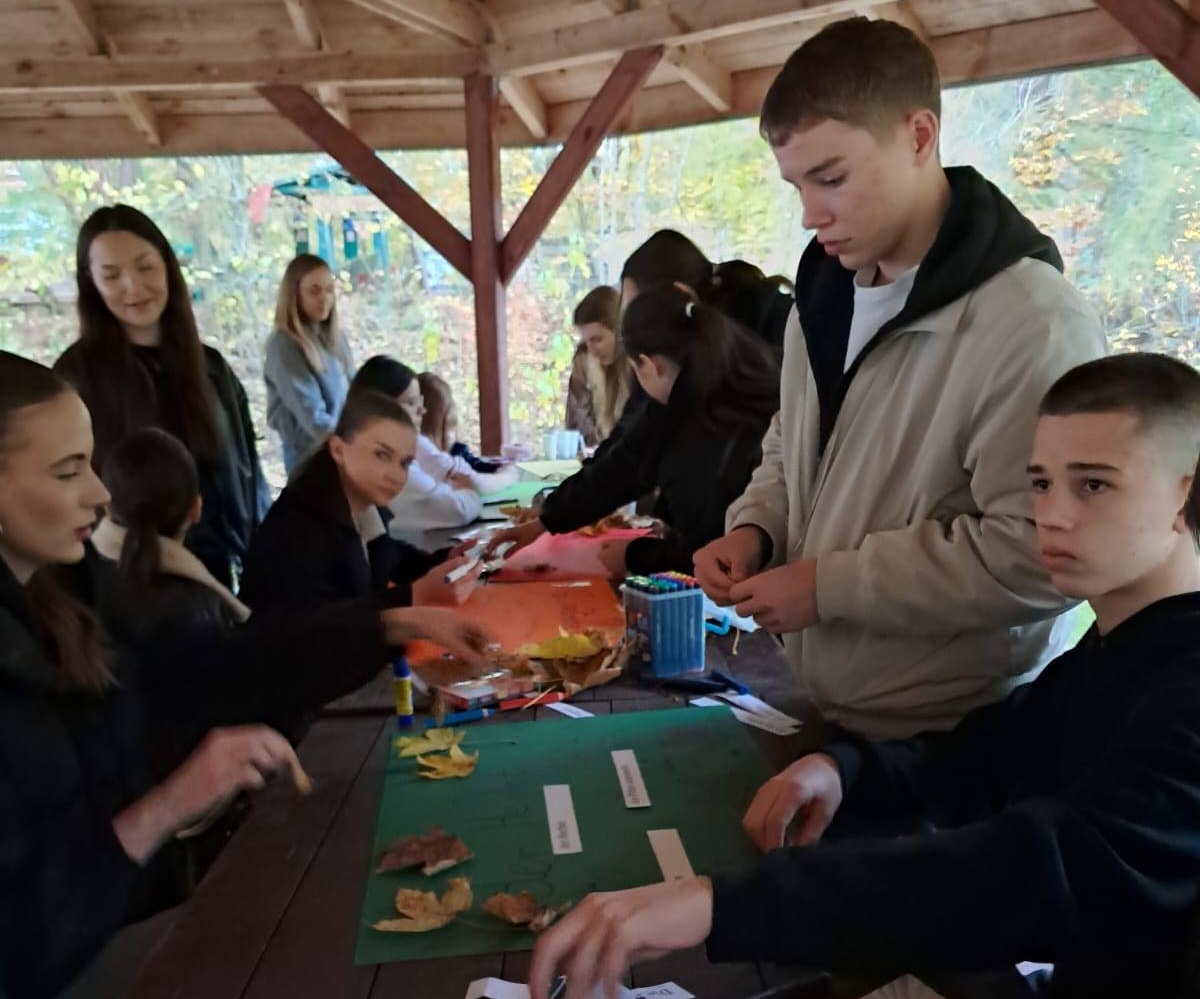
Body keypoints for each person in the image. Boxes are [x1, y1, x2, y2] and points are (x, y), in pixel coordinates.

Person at [530, 352, 1200, 999]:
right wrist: (843, 769)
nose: (1050, 515)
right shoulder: (1122, 647)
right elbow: (984, 758)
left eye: (1093, 484)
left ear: (1185, 493)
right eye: (1041, 483)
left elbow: (1035, 870)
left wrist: (717, 904)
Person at [0, 352, 490, 999]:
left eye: (92, 463)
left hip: (137, 909)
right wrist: (173, 800)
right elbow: (25, 938)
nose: (98, 492)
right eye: (67, 472)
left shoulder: (70, 589)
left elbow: (232, 659)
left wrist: (394, 621)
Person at [693, 17, 1107, 739]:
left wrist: (830, 586)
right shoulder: (821, 296)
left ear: (919, 137)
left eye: (831, 178)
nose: (810, 214)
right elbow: (792, 444)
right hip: (825, 701)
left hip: (959, 737)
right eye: (797, 184)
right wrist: (757, 528)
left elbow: (1042, 554)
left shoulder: (1033, 323)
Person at [490, 285, 778, 576]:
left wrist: (634, 556)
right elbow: (626, 461)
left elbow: (706, 551)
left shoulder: (708, 431)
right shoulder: (696, 388)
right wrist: (548, 520)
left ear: (649, 365)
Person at [54, 204, 269, 590]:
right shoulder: (75, 377)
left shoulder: (212, 368)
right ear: (91, 282)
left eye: (145, 267)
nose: (133, 288)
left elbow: (247, 477)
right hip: (125, 585)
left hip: (217, 574)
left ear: (167, 266)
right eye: (111, 275)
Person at [238, 388, 481, 614]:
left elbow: (390, 558)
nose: (395, 475)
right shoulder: (300, 526)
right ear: (338, 450)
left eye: (404, 463)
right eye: (382, 455)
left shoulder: (361, 506)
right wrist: (415, 595)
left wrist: (446, 559)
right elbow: (323, 623)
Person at [349, 356, 515, 533]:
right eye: (411, 403)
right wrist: (468, 492)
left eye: (420, 402)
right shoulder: (389, 462)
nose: (422, 410)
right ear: (381, 407)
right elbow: (454, 511)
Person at [264, 254, 355, 473]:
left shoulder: (336, 337)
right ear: (295, 295)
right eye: (314, 291)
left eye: (329, 290)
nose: (324, 298)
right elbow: (313, 417)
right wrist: (353, 445)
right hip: (309, 458)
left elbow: (356, 390)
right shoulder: (284, 344)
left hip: (340, 448)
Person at [564, 286, 631, 446]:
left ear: (619, 331)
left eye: (597, 339)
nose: (592, 350)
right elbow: (576, 420)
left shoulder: (638, 364)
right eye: (586, 341)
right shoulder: (584, 360)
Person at [419, 371, 501, 474]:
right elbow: (478, 479)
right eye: (451, 428)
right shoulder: (445, 461)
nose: (452, 436)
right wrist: (507, 470)